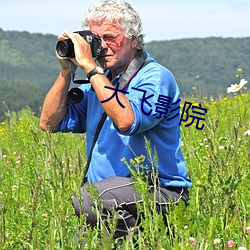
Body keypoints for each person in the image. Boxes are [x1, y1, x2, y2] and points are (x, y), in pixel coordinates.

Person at [40, 0, 192, 243]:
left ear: (133, 39)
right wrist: (66, 70)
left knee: (87, 200)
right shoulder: (100, 82)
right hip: (110, 199)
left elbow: (127, 121)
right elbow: (49, 123)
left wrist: (90, 67)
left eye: (111, 37)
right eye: (96, 39)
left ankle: (146, 242)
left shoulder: (155, 77)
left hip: (159, 191)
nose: (102, 47)